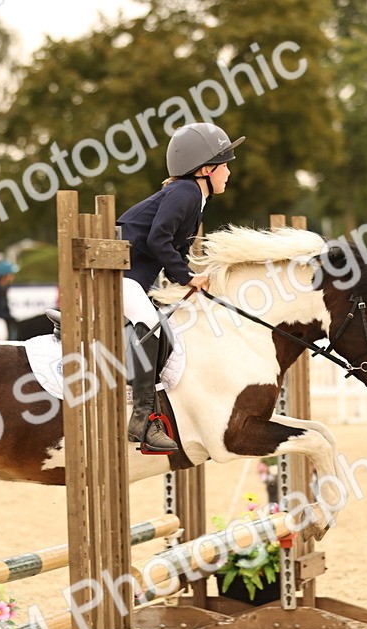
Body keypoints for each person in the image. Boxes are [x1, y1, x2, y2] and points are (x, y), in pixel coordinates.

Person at [116, 122, 243, 453]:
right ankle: (143, 419)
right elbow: (158, 239)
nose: (229, 172)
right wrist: (187, 277)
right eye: (224, 165)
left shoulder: (195, 198)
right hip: (115, 275)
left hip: (133, 276)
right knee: (151, 325)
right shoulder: (185, 193)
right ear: (205, 170)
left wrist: (196, 279)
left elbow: (175, 252)